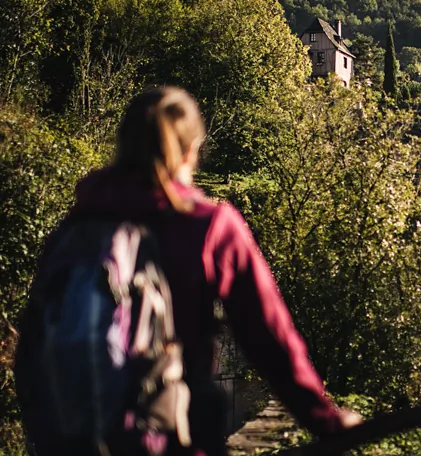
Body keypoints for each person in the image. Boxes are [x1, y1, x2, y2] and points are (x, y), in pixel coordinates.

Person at [15, 87, 360, 455]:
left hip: (71, 441)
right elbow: (269, 338)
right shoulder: (209, 225)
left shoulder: (76, 225)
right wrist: (324, 418)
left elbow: (36, 336)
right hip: (170, 438)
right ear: (192, 149)